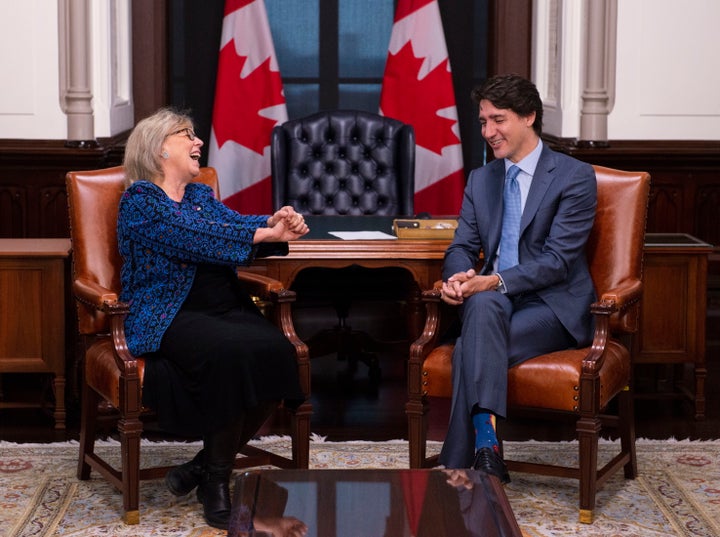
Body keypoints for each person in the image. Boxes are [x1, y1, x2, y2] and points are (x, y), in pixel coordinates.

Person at [117, 107, 309, 530]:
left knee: (277, 350)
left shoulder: (200, 196)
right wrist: (265, 234)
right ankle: (217, 482)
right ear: (159, 148)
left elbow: (234, 225)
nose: (198, 141)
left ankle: (202, 467)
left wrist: (277, 222)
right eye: (188, 134)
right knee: (231, 352)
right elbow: (194, 238)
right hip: (169, 315)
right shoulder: (140, 202)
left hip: (223, 308)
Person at [438, 74, 597, 481]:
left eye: (499, 120)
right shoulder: (482, 178)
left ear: (529, 116)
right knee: (484, 306)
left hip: (551, 304)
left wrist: (492, 281)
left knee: (466, 351)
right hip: (492, 304)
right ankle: (487, 449)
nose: (488, 132)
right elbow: (461, 245)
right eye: (483, 121)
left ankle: (459, 463)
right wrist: (458, 277)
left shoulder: (573, 176)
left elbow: (559, 260)